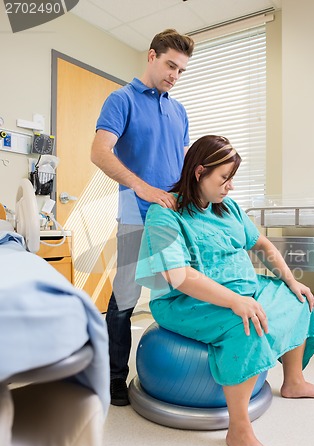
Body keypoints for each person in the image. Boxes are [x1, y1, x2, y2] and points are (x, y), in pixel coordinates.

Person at [136, 135, 314, 446]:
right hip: (186, 301)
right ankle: (239, 431)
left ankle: (294, 380)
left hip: (244, 288)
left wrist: (290, 279)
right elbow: (179, 276)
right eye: (223, 178)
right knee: (247, 325)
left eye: (232, 179)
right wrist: (235, 302)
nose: (229, 187)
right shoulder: (165, 213)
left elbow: (264, 246)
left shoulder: (228, 208)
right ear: (199, 172)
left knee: (297, 300)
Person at [91, 29, 195, 406]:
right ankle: (114, 377)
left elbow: (185, 162)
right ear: (152, 56)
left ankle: (179, 370)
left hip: (174, 217)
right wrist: (142, 187)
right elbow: (100, 152)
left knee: (179, 289)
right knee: (125, 299)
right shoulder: (122, 99)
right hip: (136, 216)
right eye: (171, 65)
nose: (174, 75)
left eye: (181, 70)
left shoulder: (178, 109)